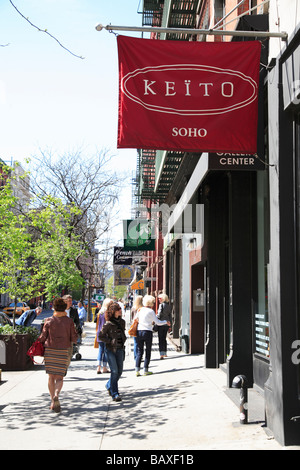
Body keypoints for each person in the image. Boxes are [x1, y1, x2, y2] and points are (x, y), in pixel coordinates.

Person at [38, 297, 78, 412]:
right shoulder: (69, 321)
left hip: (50, 350)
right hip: (63, 351)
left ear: (54, 308)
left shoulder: (48, 320)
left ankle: (52, 400)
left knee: (51, 377)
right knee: (59, 377)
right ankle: (56, 394)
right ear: (64, 308)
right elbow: (74, 338)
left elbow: (43, 337)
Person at [134, 295, 170, 376]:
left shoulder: (140, 310)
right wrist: (165, 322)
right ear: (151, 303)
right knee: (148, 351)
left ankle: (137, 370)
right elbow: (158, 322)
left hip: (139, 331)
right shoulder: (151, 311)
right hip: (148, 331)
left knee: (140, 351)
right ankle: (145, 370)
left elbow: (135, 319)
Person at [98, 301, 126, 402]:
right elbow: (100, 336)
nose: (120, 311)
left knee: (119, 372)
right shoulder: (108, 324)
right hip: (110, 350)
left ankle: (109, 385)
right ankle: (115, 393)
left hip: (120, 349)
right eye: (118, 309)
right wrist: (110, 341)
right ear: (113, 311)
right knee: (114, 371)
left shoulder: (122, 322)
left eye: (120, 309)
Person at [94, 298, 111, 374]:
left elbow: (97, 323)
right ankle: (104, 367)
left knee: (101, 350)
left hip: (99, 332)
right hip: (106, 333)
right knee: (106, 350)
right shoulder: (107, 313)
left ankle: (98, 367)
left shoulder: (100, 313)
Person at [157, 294, 173, 359]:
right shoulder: (168, 306)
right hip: (167, 324)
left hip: (161, 324)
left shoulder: (161, 305)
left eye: (160, 298)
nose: (158, 299)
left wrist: (155, 319)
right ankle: (165, 352)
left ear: (163, 298)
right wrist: (170, 324)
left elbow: (159, 314)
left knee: (160, 339)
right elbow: (170, 316)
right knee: (164, 338)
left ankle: (161, 353)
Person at [130, 295, 143, 360]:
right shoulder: (142, 308)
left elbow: (131, 318)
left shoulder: (133, 308)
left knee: (136, 342)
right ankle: (140, 356)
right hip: (141, 326)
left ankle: (136, 357)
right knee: (141, 343)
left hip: (135, 326)